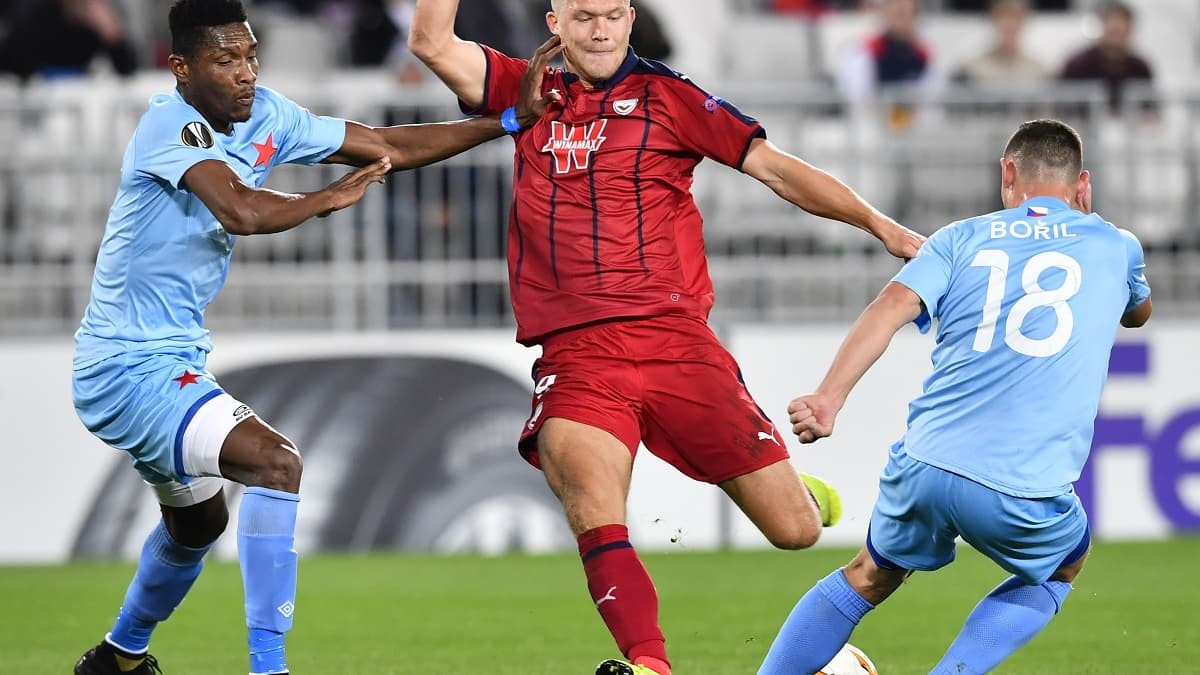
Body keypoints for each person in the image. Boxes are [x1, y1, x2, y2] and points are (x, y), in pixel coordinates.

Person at [407, 1, 924, 673]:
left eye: (614, 15)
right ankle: (651, 663)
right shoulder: (525, 90)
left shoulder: (669, 97)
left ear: (629, 19)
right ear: (554, 20)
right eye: (584, 16)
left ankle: (803, 494)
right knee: (592, 504)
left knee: (793, 530)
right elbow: (429, 40)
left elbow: (774, 167)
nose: (601, 30)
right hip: (577, 353)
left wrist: (881, 226)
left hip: (675, 344)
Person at [69, 1, 558, 674]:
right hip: (124, 367)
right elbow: (238, 208)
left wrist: (505, 122)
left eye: (249, 56)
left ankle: (117, 658)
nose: (244, 74)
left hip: (172, 357)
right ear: (180, 68)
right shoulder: (167, 126)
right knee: (277, 461)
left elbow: (390, 145)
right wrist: (324, 198)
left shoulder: (268, 114)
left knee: (199, 527)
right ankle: (270, 669)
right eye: (224, 60)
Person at [757, 119, 1152, 675]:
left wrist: (829, 397)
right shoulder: (1117, 245)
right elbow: (1138, 312)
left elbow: (889, 309)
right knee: (1065, 563)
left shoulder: (957, 239)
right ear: (1082, 185)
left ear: (1007, 174)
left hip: (925, 463)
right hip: (1021, 483)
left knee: (868, 574)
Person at [1059, 1, 1154, 114]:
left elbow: (1150, 113)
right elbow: (1064, 111)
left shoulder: (1140, 69)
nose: (1116, 31)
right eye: (1112, 30)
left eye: (1121, 30)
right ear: (1099, 27)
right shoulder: (1077, 66)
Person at [953, 0, 1047, 86]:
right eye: (1004, 18)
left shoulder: (1038, 71)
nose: (1010, 25)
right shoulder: (972, 69)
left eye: (1016, 18)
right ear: (993, 21)